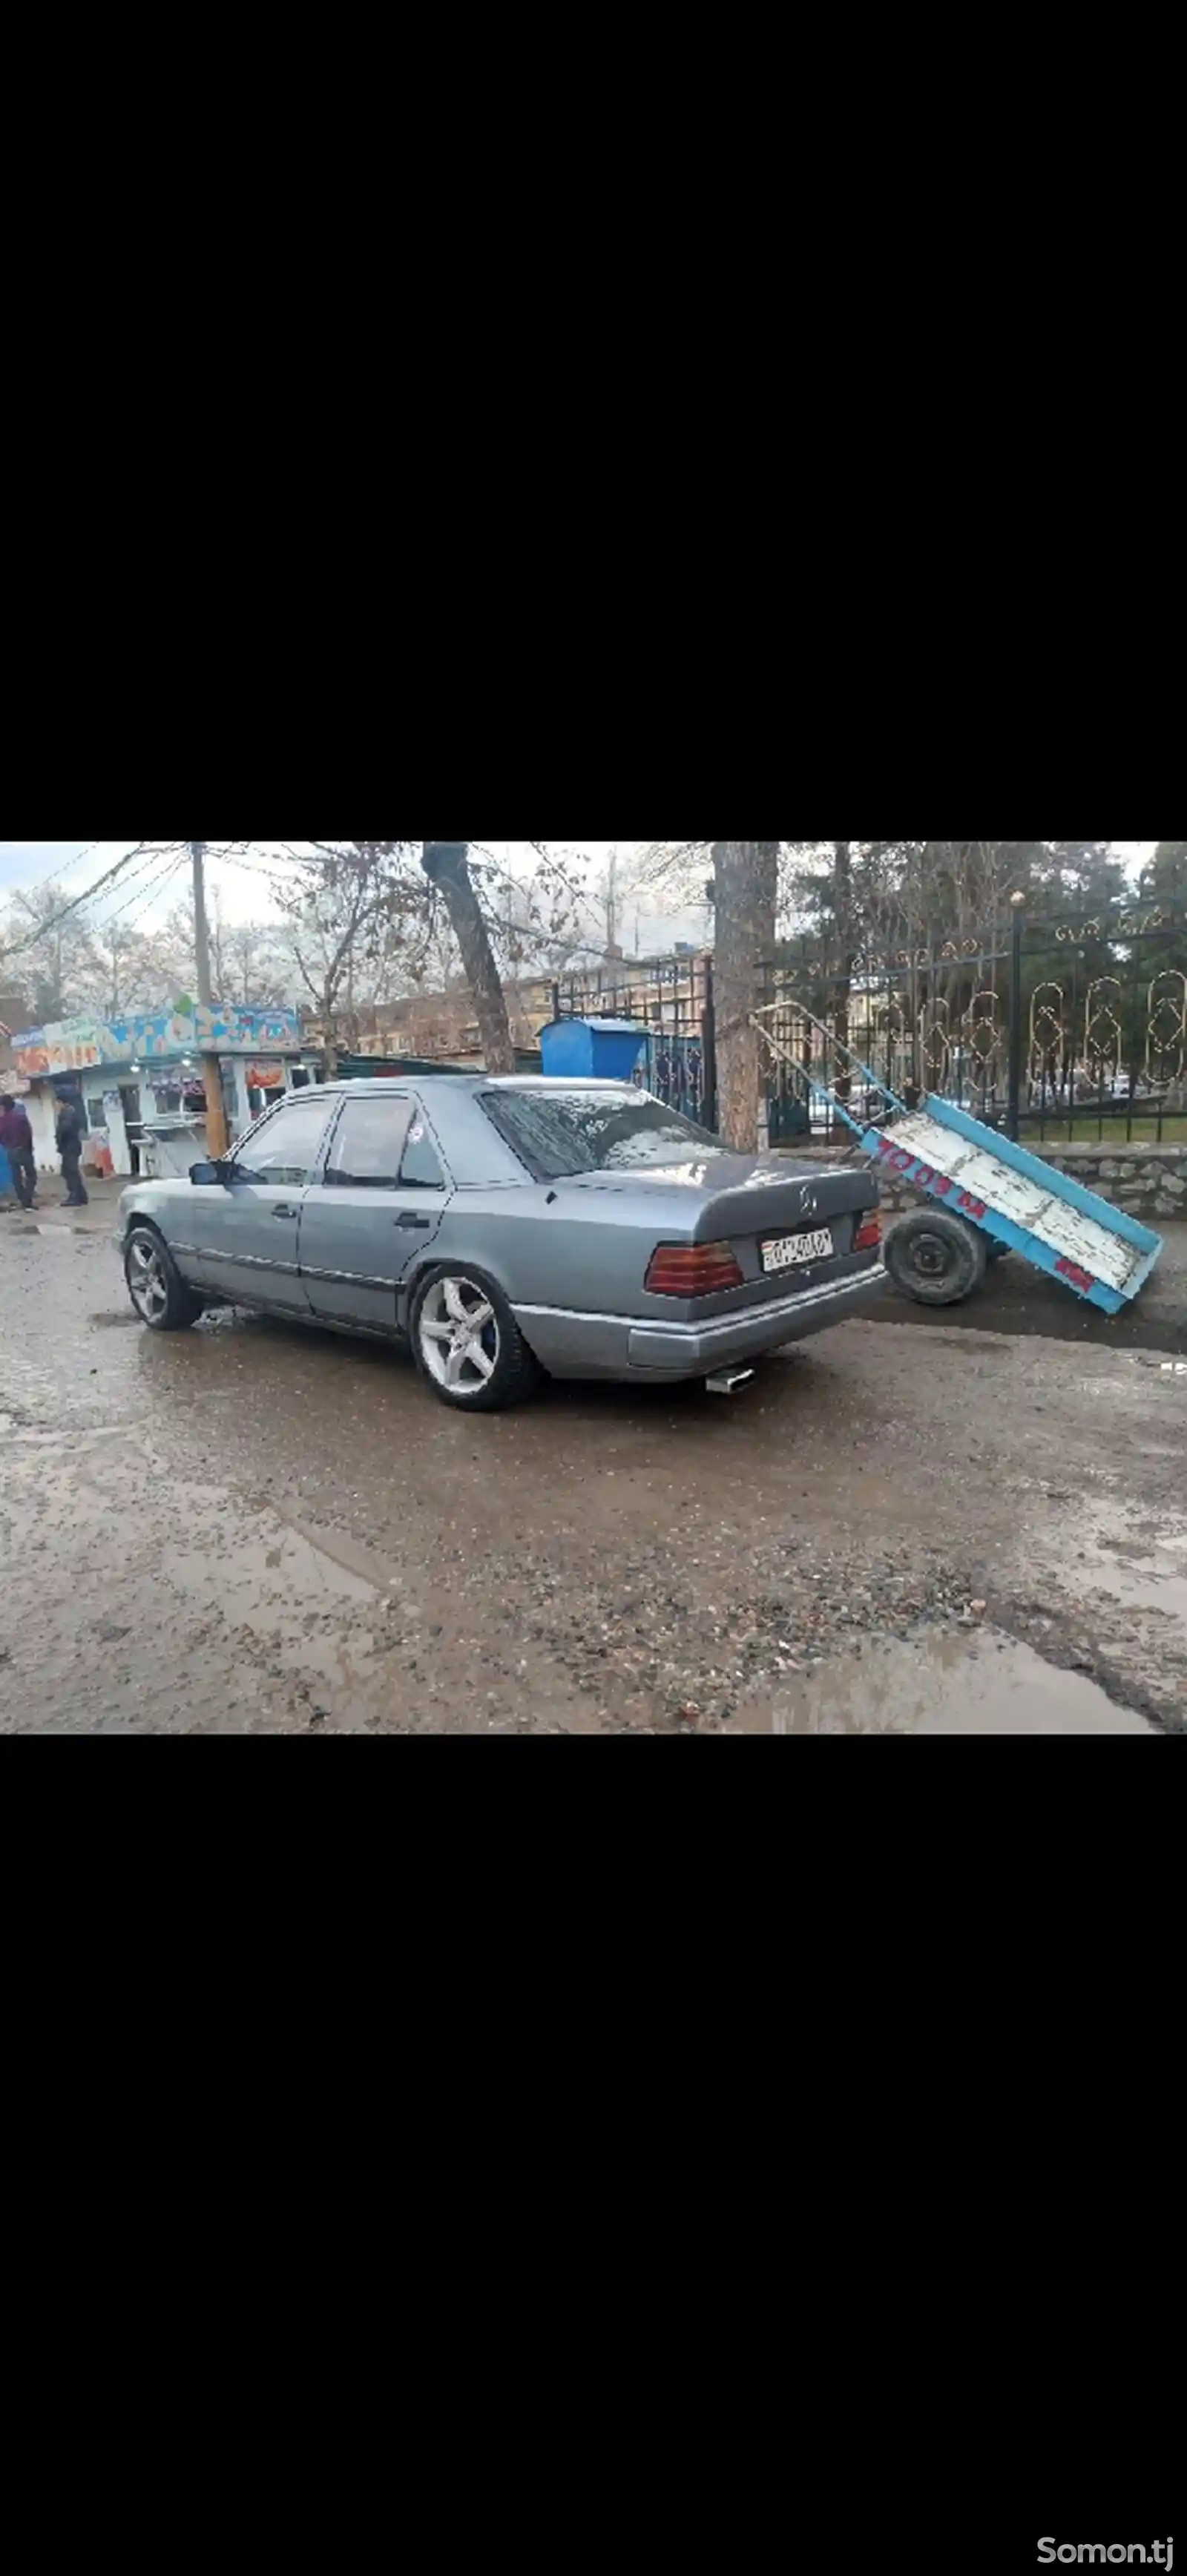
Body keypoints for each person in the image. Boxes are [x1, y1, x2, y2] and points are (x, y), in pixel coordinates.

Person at [0, 1095, 39, 1209]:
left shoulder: (2, 1120)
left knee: (16, 1178)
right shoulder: (21, 1117)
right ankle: (27, 1200)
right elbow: (28, 1134)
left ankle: (24, 1200)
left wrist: (6, 1145)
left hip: (11, 1150)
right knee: (31, 1176)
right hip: (23, 1150)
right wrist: (29, 1149)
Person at [55, 1097, 89, 1206]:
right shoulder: (67, 1113)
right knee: (69, 1171)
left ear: (62, 1102)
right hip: (69, 1147)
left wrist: (59, 1136)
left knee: (70, 1172)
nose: (56, 1106)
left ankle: (75, 1196)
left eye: (56, 1103)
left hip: (70, 1147)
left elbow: (66, 1129)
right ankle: (81, 1195)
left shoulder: (68, 1113)